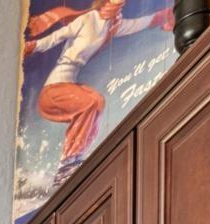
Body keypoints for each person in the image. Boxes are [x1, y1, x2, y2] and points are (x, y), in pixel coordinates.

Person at [25, 1, 176, 183]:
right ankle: (67, 162)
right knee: (88, 103)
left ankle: (75, 158)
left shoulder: (113, 26)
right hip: (53, 89)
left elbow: (138, 24)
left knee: (98, 102)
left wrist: (161, 16)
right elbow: (56, 37)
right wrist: (32, 46)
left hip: (68, 84)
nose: (117, 5)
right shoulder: (88, 19)